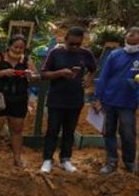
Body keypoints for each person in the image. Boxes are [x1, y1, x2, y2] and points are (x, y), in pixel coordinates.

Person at [93, 27, 139, 174]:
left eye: (134, 43)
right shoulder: (115, 55)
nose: (130, 45)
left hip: (128, 101)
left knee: (128, 132)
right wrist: (97, 97)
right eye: (128, 42)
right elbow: (104, 77)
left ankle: (129, 162)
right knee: (108, 131)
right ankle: (111, 161)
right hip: (109, 99)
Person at [40, 26, 97, 174]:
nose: (74, 47)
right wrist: (59, 73)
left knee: (69, 131)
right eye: (71, 44)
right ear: (65, 40)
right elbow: (44, 73)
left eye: (78, 44)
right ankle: (47, 159)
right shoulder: (55, 53)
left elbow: (93, 69)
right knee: (52, 130)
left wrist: (88, 80)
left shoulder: (86, 54)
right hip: (56, 98)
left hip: (75, 99)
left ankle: (65, 158)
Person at [0, 35, 36, 167]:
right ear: (9, 46)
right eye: (15, 47)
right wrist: (3, 72)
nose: (17, 50)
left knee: (17, 129)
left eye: (21, 48)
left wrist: (30, 75)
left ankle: (17, 158)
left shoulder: (27, 60)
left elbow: (35, 76)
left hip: (19, 98)